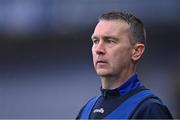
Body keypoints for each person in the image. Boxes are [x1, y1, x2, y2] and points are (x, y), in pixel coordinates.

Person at [76, 11, 173, 119]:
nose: (99, 49)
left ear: (136, 52)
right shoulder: (86, 110)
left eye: (110, 41)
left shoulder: (149, 109)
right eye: (95, 41)